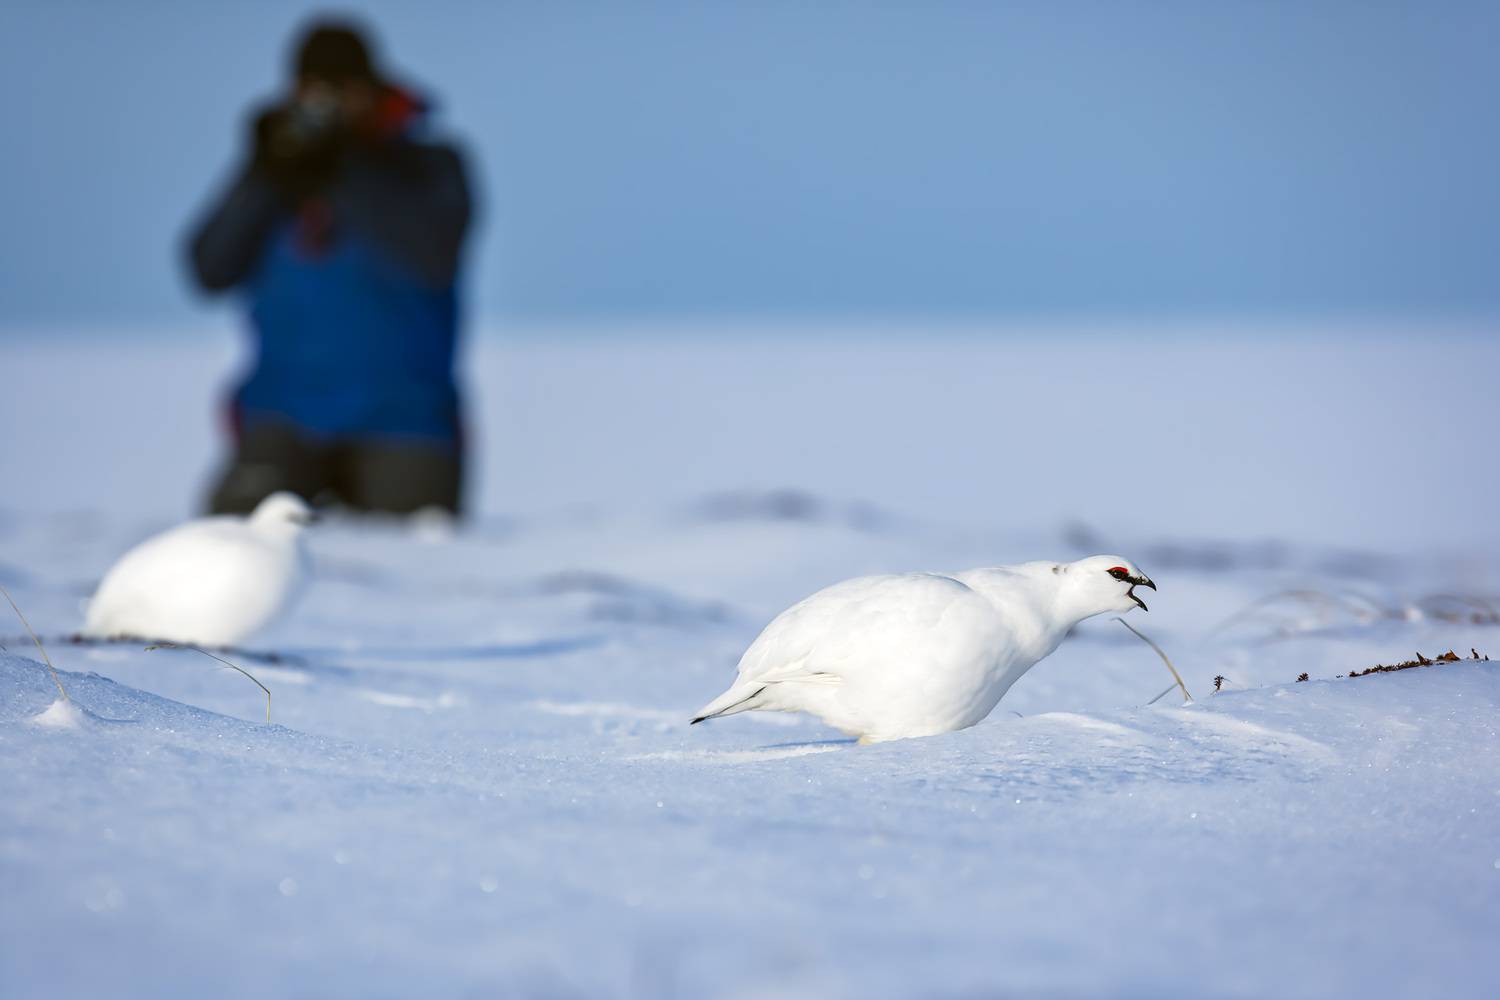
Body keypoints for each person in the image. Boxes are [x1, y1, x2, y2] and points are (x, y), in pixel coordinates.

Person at [187, 19, 473, 516]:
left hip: (405, 419)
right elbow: (209, 269)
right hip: (283, 415)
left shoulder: (429, 165)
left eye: (342, 90)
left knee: (417, 550)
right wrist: (264, 171)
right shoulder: (277, 170)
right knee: (240, 538)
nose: (328, 106)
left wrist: (343, 164)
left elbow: (432, 254)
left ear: (372, 87)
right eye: (314, 91)